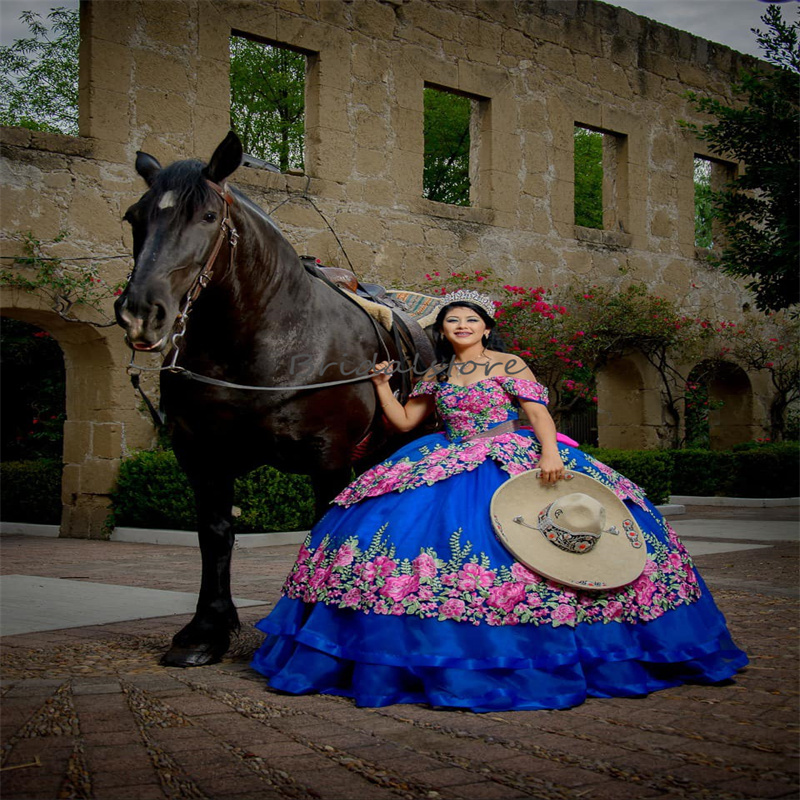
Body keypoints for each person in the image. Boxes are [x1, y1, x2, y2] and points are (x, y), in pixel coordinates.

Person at [251, 290, 747, 711]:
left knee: (533, 545)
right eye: (452, 321)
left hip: (511, 453)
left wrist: (550, 455)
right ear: (442, 331)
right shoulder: (438, 374)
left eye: (471, 320)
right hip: (447, 453)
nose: (462, 326)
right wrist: (381, 385)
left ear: (486, 328)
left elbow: (537, 414)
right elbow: (404, 423)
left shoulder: (509, 364)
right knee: (401, 537)